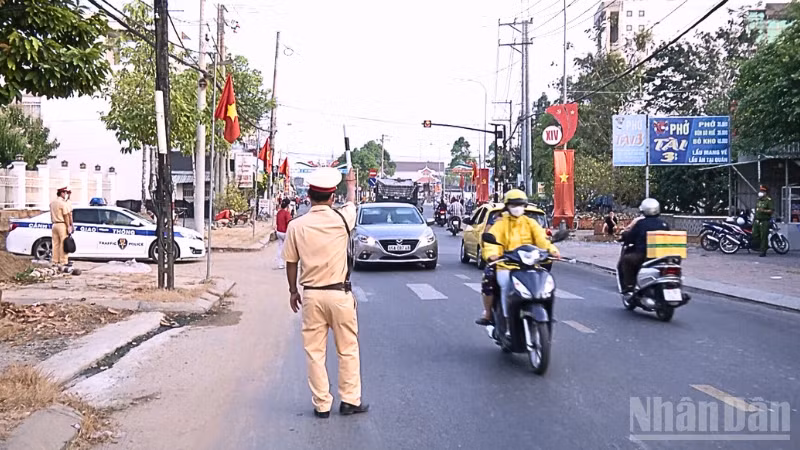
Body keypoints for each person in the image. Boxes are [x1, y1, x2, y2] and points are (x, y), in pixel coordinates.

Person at [283, 167, 368, 419]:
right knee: (348, 349)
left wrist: (292, 291)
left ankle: (322, 404)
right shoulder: (343, 220)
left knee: (315, 352)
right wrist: (351, 184)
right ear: (332, 197)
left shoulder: (296, 226)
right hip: (339, 295)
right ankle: (350, 400)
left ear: (308, 196)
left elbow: (291, 262)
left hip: (311, 296)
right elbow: (352, 202)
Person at [477, 189, 560, 328]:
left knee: (546, 284)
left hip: (529, 265)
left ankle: (546, 311)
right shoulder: (500, 224)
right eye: (514, 205)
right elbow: (492, 242)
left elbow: (542, 240)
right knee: (500, 284)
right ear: (507, 206)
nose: (517, 208)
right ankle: (501, 318)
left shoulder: (531, 223)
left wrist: (552, 251)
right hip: (506, 266)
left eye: (520, 205)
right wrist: (492, 254)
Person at [617, 198, 670, 296]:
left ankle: (629, 287)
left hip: (644, 255)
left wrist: (624, 236)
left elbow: (631, 236)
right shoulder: (664, 224)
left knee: (626, 260)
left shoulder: (641, 224)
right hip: (662, 257)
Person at [50, 187, 73, 271]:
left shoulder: (52, 203)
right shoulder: (62, 203)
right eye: (65, 193)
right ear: (62, 193)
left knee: (55, 243)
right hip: (62, 224)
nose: (65, 195)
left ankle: (55, 260)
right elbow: (66, 216)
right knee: (63, 243)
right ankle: (63, 261)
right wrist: (68, 226)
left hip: (54, 224)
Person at [753, 185, 774, 257]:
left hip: (764, 221)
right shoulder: (759, 200)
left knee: (763, 236)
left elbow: (771, 211)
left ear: (765, 193)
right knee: (755, 234)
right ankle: (758, 247)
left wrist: (764, 211)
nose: (761, 192)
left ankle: (763, 250)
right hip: (757, 220)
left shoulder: (768, 200)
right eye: (760, 191)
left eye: (762, 191)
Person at [274, 199, 292, 269]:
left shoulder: (279, 213)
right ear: (287, 205)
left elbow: (277, 223)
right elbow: (289, 223)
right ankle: (288, 263)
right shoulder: (287, 213)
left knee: (280, 248)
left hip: (279, 232)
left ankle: (280, 264)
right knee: (288, 248)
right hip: (285, 232)